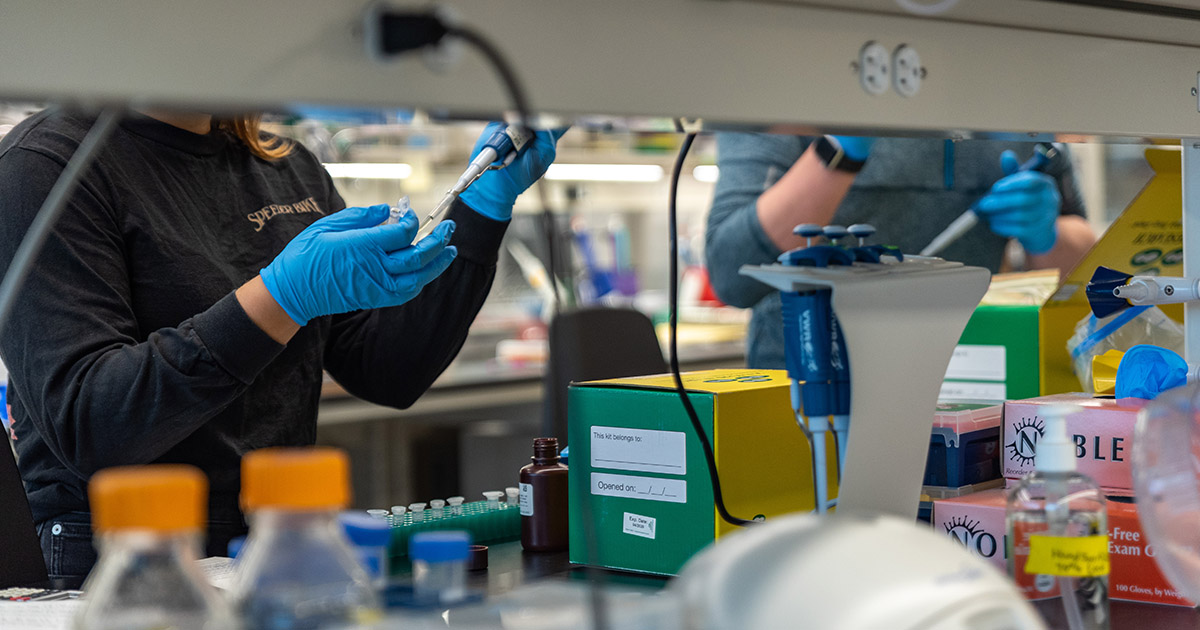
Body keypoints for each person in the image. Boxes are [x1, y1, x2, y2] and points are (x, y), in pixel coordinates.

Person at [0, 108, 562, 587]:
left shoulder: (283, 166)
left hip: (277, 542)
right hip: (121, 561)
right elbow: (91, 421)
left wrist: (483, 207)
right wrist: (280, 297)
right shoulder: (44, 165)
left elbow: (385, 370)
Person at [706, 133, 1097, 369]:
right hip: (810, 384)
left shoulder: (1007, 87)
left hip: (967, 382)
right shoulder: (792, 81)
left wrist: (1045, 233)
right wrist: (839, 151)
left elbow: (1086, 279)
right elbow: (731, 273)